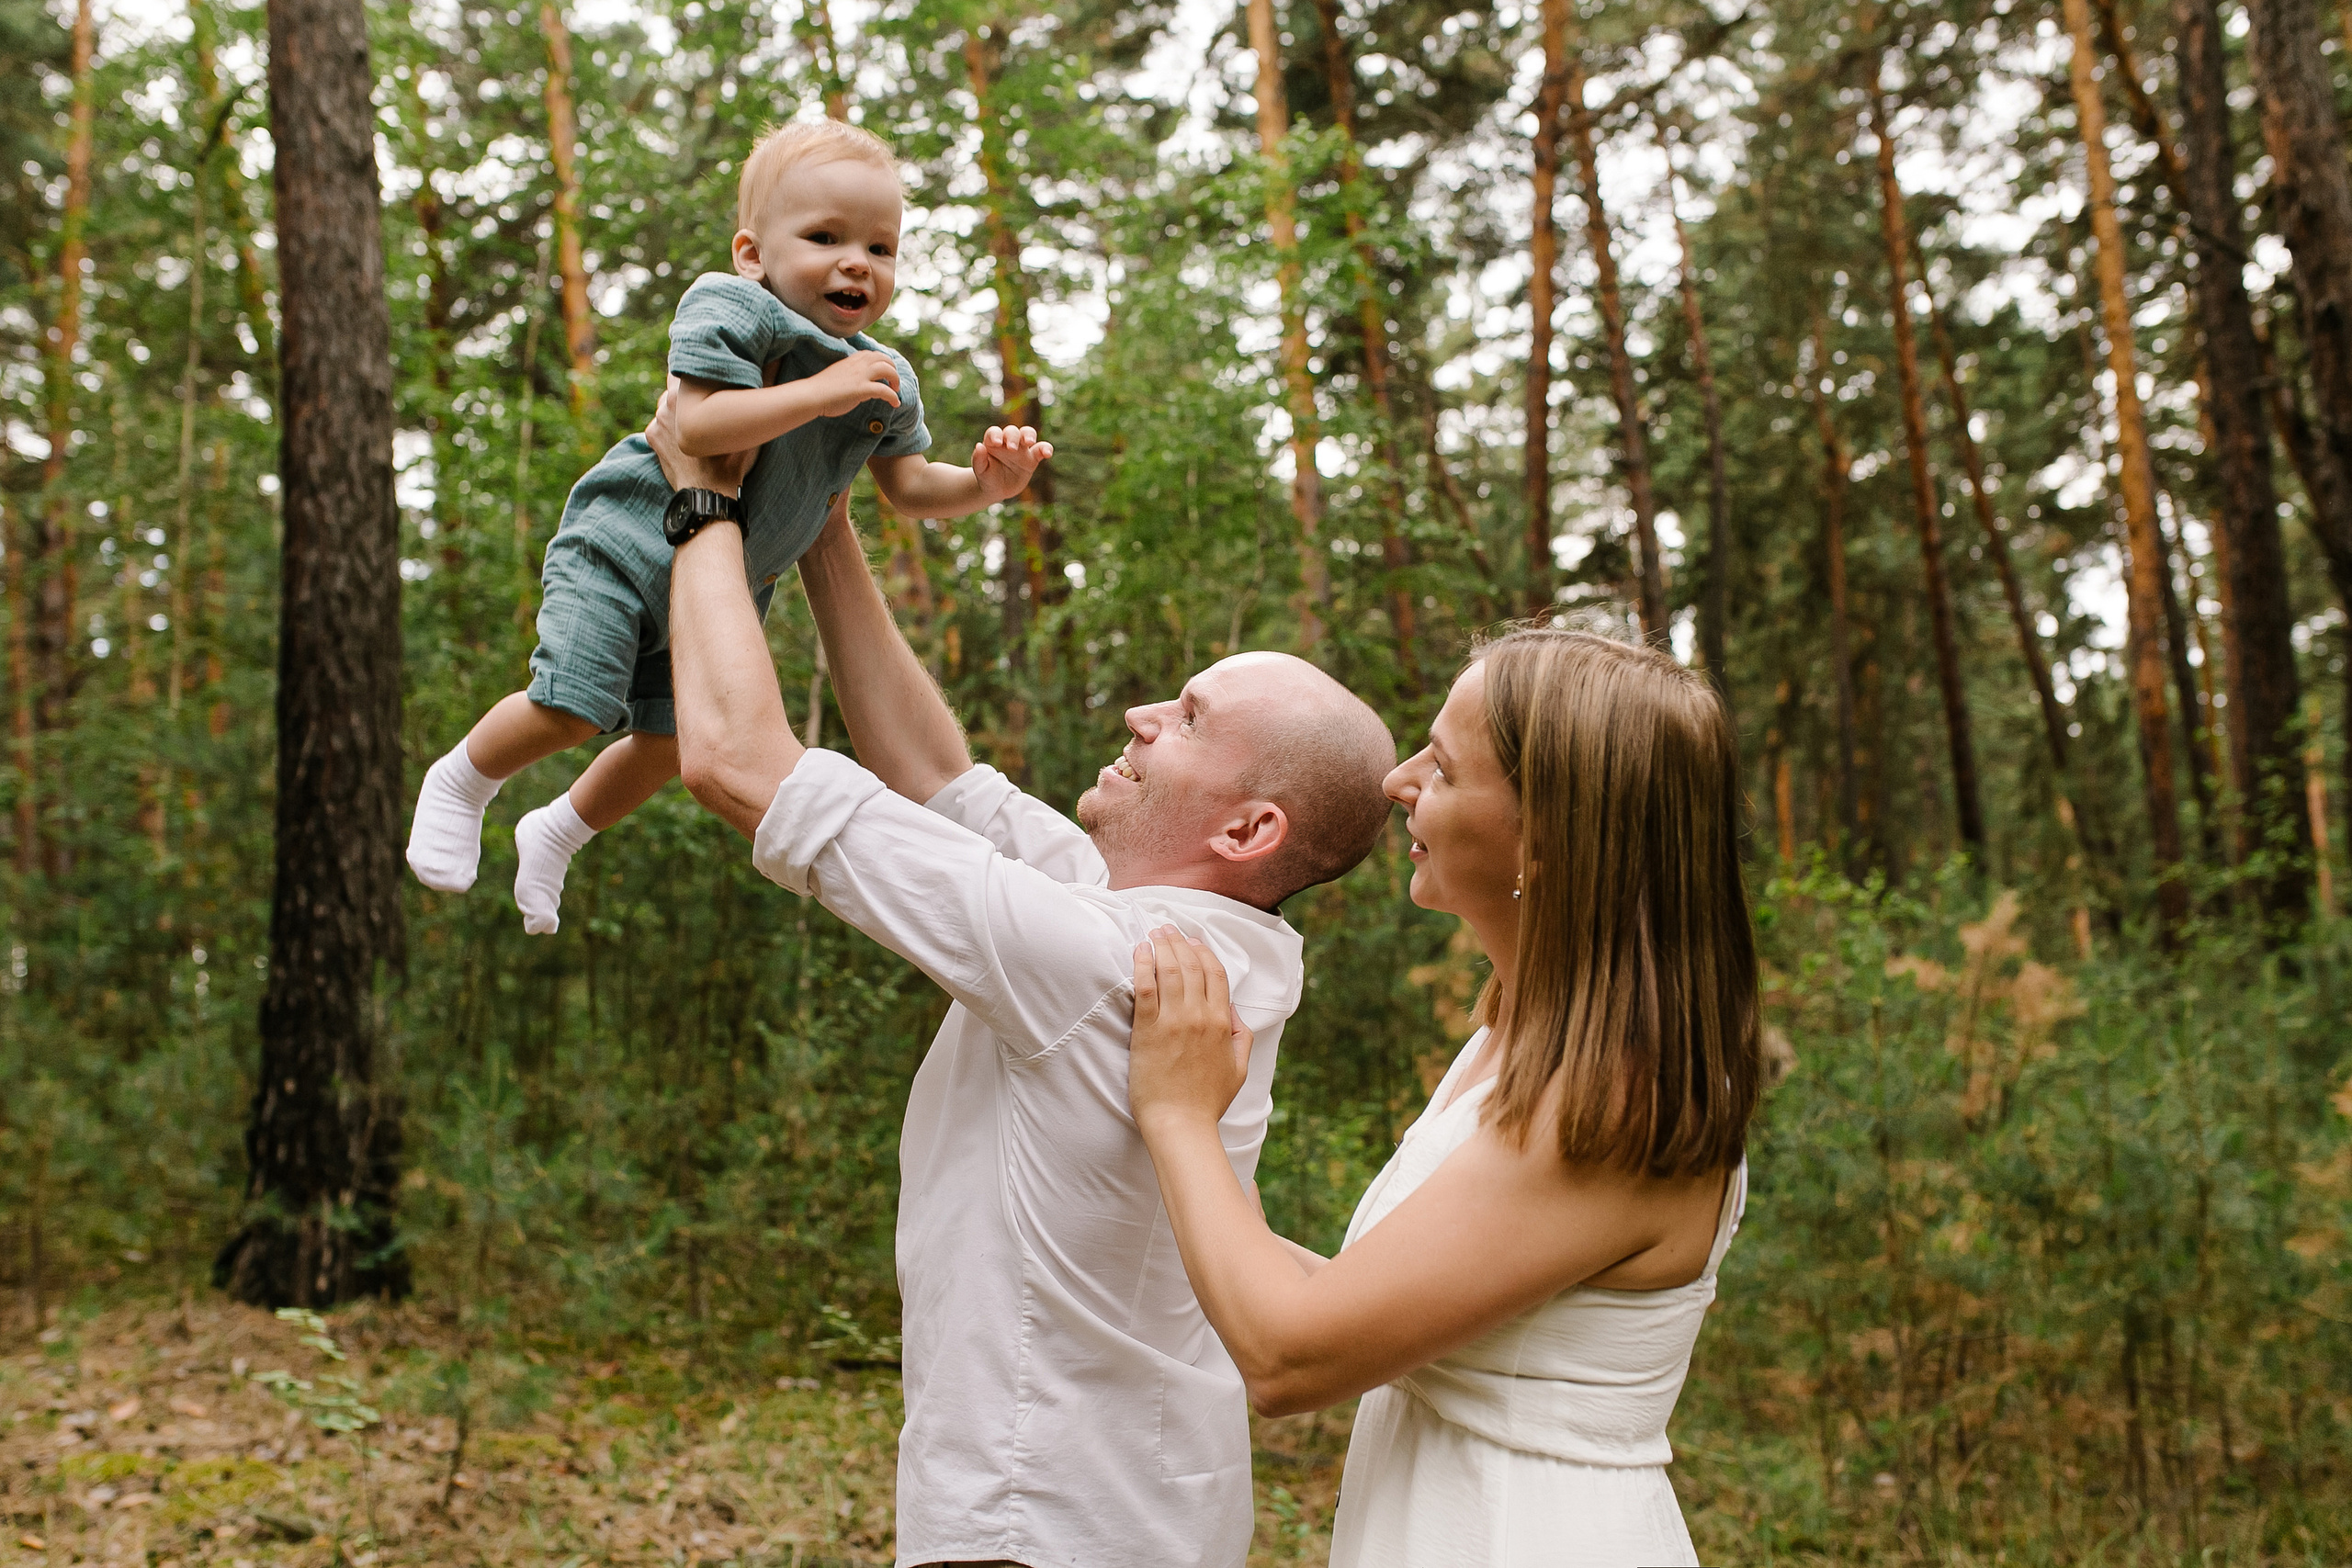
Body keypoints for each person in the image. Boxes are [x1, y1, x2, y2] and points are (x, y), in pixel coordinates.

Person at [643, 390, 1396, 1568]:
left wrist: (703, 497)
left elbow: (737, 761)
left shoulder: (1104, 963)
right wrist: (829, 505)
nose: (1144, 714)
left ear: (1250, 829)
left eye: (1188, 718)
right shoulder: (1180, 936)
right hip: (1142, 1520)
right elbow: (932, 771)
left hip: (1035, 1527)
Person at [1125, 629, 1760, 1567]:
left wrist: (1180, 1116)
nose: (1399, 781)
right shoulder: (1515, 1044)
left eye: (1447, 769)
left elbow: (1288, 1357)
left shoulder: (1620, 1097)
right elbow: (1360, 1304)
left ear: (1546, 836)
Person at [403, 118, 1050, 934]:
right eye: (825, 237)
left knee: (671, 742)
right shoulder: (732, 307)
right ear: (754, 253)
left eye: (881, 248)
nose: (857, 262)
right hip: (627, 540)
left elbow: (910, 487)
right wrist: (824, 393)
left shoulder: (886, 374)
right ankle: (462, 778)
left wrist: (984, 485)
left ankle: (560, 827)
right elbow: (699, 430)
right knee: (576, 705)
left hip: (723, 580)